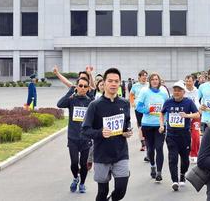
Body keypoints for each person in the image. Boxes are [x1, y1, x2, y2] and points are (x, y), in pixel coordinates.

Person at [82, 68, 132, 201]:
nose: (113, 84)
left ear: (120, 83)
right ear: (103, 83)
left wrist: (128, 131)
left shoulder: (125, 103)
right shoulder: (95, 105)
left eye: (116, 81)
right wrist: (100, 132)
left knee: (121, 189)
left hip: (121, 153)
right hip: (102, 155)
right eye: (110, 81)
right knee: (102, 191)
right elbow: (85, 130)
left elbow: (126, 123)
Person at [160, 81, 200, 191]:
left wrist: (187, 115)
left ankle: (182, 174)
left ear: (183, 92)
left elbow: (197, 114)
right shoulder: (168, 102)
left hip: (184, 136)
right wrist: (161, 125)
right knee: (172, 158)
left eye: (179, 90)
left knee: (185, 160)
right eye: (175, 90)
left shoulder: (188, 102)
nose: (176, 92)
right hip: (171, 136)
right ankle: (174, 181)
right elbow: (162, 113)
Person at [57, 77, 93, 193]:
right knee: (73, 163)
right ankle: (75, 178)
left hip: (86, 138)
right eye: (80, 86)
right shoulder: (72, 99)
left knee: (83, 164)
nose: (82, 88)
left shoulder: (90, 102)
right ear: (77, 87)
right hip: (73, 137)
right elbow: (59, 104)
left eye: (85, 86)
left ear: (88, 89)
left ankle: (82, 183)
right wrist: (71, 90)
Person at [136, 72, 169, 182]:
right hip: (147, 124)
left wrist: (167, 121)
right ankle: (152, 165)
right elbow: (138, 106)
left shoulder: (164, 92)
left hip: (160, 125)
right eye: (153, 79)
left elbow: (168, 107)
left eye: (157, 79)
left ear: (159, 81)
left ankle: (159, 172)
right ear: (150, 81)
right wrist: (147, 110)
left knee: (159, 148)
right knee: (150, 149)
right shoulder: (145, 91)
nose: (155, 81)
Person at [129, 70, 149, 152]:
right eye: (143, 76)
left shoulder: (149, 85)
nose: (145, 78)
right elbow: (131, 94)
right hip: (138, 108)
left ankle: (148, 141)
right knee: (140, 125)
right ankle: (143, 143)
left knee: (147, 124)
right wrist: (132, 102)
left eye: (146, 76)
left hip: (148, 108)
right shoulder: (135, 86)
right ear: (139, 77)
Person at [184, 74, 201, 163]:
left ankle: (194, 154)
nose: (188, 83)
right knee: (185, 137)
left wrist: (201, 109)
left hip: (195, 116)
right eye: (186, 81)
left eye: (190, 81)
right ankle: (185, 153)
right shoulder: (182, 91)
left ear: (193, 81)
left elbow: (199, 102)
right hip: (185, 117)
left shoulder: (197, 91)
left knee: (196, 136)